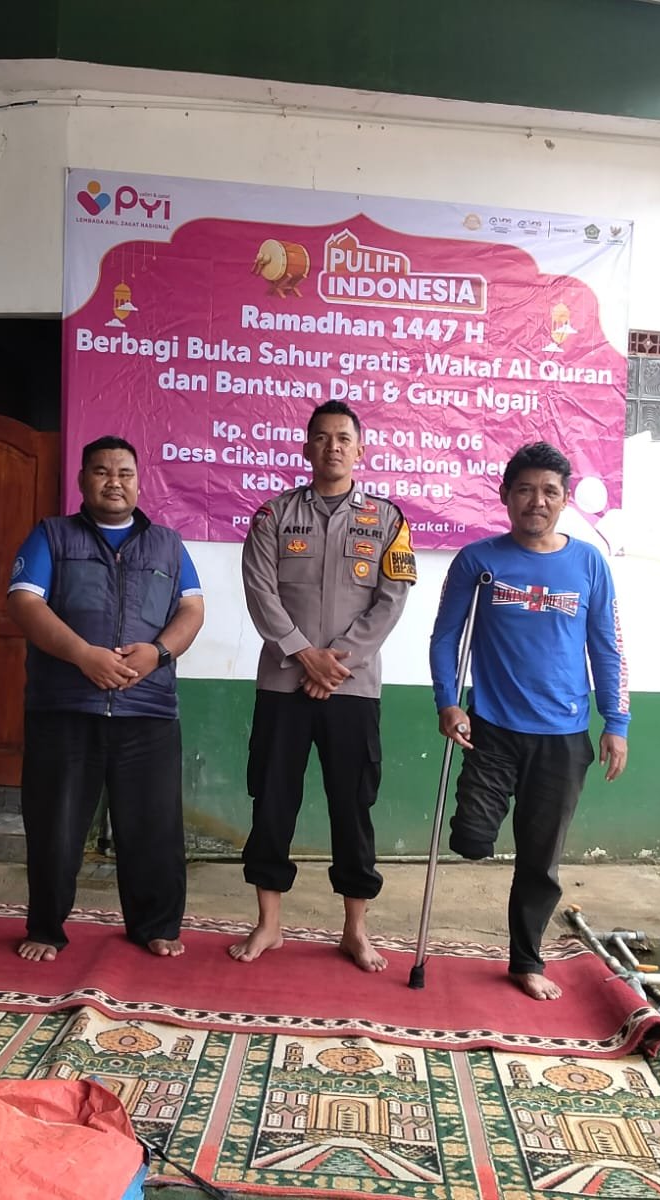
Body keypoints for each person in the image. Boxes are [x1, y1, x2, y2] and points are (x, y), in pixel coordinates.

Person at [429, 441, 629, 1001]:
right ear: (505, 496)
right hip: (491, 728)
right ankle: (480, 845)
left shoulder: (589, 563)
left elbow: (607, 647)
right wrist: (447, 702)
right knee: (471, 840)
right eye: (525, 490)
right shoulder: (479, 561)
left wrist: (617, 722)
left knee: (540, 859)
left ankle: (526, 958)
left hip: (563, 735)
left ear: (565, 500)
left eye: (549, 491)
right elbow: (445, 637)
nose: (536, 501)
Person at [231, 400, 416, 972]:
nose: (333, 446)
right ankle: (269, 923)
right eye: (322, 437)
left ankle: (355, 929)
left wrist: (335, 664)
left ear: (360, 449)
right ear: (306, 446)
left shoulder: (389, 521)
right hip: (283, 684)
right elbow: (260, 591)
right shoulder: (273, 515)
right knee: (272, 800)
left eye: (343, 438)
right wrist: (303, 655)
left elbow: (391, 600)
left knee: (352, 805)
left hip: (352, 690)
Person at [7, 436, 204, 962]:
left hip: (148, 708)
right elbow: (25, 603)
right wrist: (82, 655)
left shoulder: (168, 544)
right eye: (101, 471)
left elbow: (192, 610)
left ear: (139, 482)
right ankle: (46, 928)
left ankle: (155, 925)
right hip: (66, 707)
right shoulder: (52, 535)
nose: (113, 482)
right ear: (82, 480)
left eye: (124, 473)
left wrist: (158, 653)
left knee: (154, 827)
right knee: (55, 825)